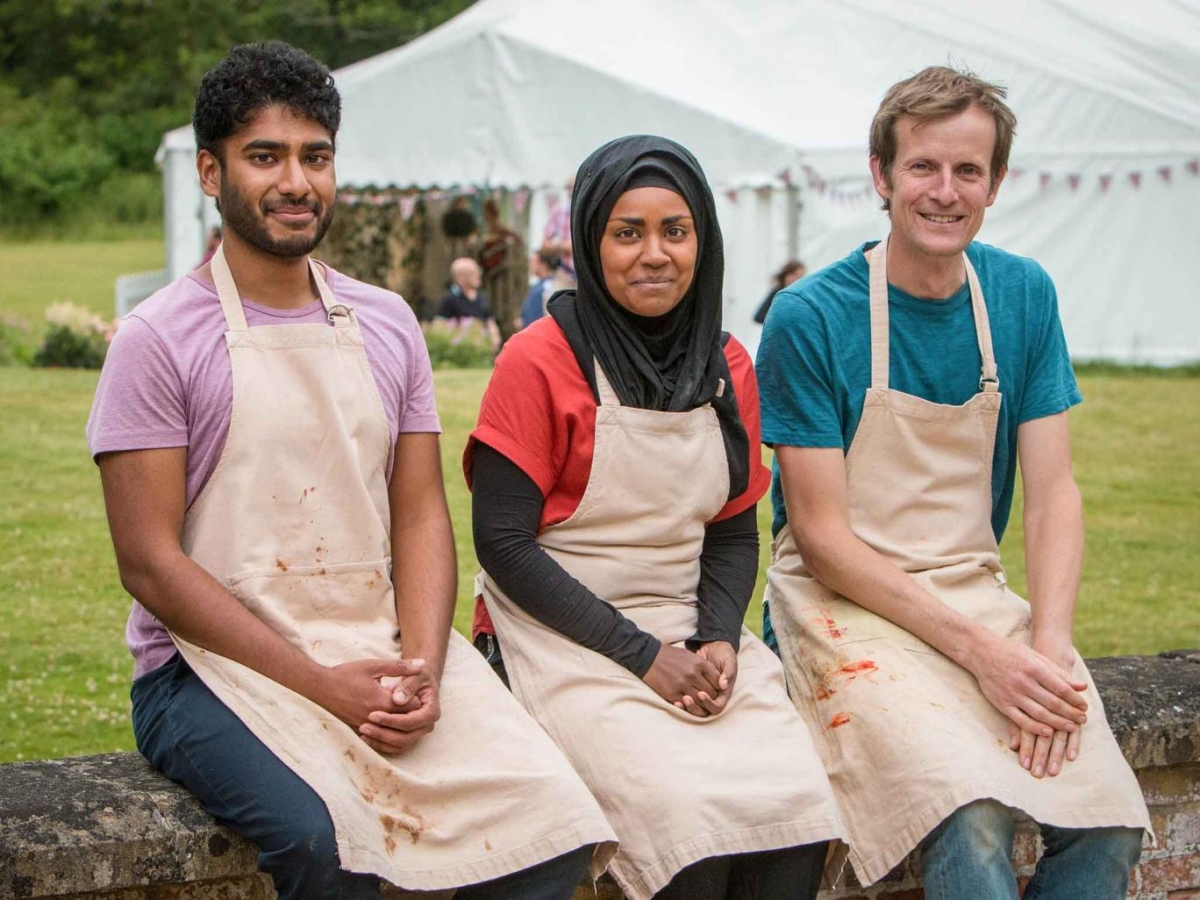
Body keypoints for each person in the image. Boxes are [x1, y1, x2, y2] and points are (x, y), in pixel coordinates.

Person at [86, 41, 615, 900]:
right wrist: (323, 686)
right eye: (266, 156)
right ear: (212, 175)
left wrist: (424, 669)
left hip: (371, 641)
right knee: (323, 837)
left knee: (551, 818)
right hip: (205, 672)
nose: (296, 181)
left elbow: (420, 516)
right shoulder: (158, 341)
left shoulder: (387, 322)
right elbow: (149, 563)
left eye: (315, 156)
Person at [757, 66, 1149, 898]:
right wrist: (982, 656)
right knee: (970, 812)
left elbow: (1054, 495)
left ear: (996, 183)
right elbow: (822, 539)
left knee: (1109, 817)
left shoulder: (1022, 295)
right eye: (923, 168)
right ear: (880, 176)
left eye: (968, 171)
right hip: (843, 608)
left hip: (972, 585)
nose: (945, 191)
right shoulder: (810, 316)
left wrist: (1046, 648)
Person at [465, 135, 844, 900]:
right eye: (627, 232)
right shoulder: (537, 361)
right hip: (559, 636)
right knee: (685, 830)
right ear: (590, 241)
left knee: (795, 810)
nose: (655, 254)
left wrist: (716, 636)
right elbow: (502, 543)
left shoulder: (727, 364)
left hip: (686, 625)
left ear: (703, 239)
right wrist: (642, 656)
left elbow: (735, 528)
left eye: (676, 230)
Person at [480, 198, 528, 343]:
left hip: (505, 281)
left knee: (506, 314)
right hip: (490, 282)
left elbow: (516, 247)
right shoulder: (486, 234)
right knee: (493, 313)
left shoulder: (505, 233)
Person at [541, 175, 576, 288]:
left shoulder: (594, 211)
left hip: (589, 277)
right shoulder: (559, 212)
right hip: (565, 274)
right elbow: (545, 246)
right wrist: (563, 247)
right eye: (570, 187)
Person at [435, 257, 492, 322]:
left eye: (478, 271)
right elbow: (440, 323)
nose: (478, 275)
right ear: (460, 278)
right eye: (472, 273)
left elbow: (489, 320)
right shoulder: (450, 299)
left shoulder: (481, 297)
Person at [752, 259, 805, 324]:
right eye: (794, 274)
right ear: (785, 275)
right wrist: (781, 320)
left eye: (800, 277)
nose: (796, 279)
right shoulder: (777, 293)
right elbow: (758, 316)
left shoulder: (801, 295)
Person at [520, 249, 558, 328]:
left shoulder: (546, 288)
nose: (530, 264)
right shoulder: (537, 286)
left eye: (533, 261)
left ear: (543, 265)